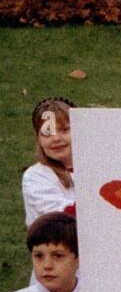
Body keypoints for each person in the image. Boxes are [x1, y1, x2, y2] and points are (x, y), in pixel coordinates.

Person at [23, 97, 76, 227]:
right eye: (47, 133)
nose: (56, 138)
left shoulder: (97, 167)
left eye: (64, 130)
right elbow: (62, 217)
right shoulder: (36, 176)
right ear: (38, 139)